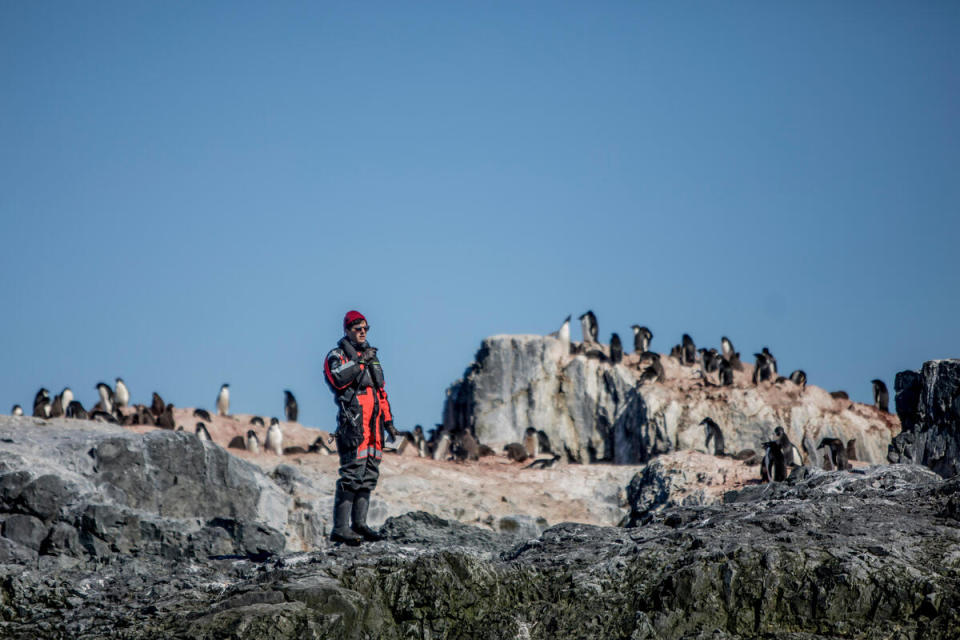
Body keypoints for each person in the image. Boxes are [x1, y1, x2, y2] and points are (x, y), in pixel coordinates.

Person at [324, 310, 398, 545]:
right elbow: (336, 378)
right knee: (351, 474)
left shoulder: (372, 356)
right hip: (354, 424)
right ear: (347, 331)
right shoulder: (337, 355)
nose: (363, 332)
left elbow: (380, 392)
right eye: (358, 329)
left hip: (374, 426)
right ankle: (340, 528)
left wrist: (388, 421)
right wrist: (359, 362)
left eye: (365, 328)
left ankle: (360, 524)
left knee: (368, 474)